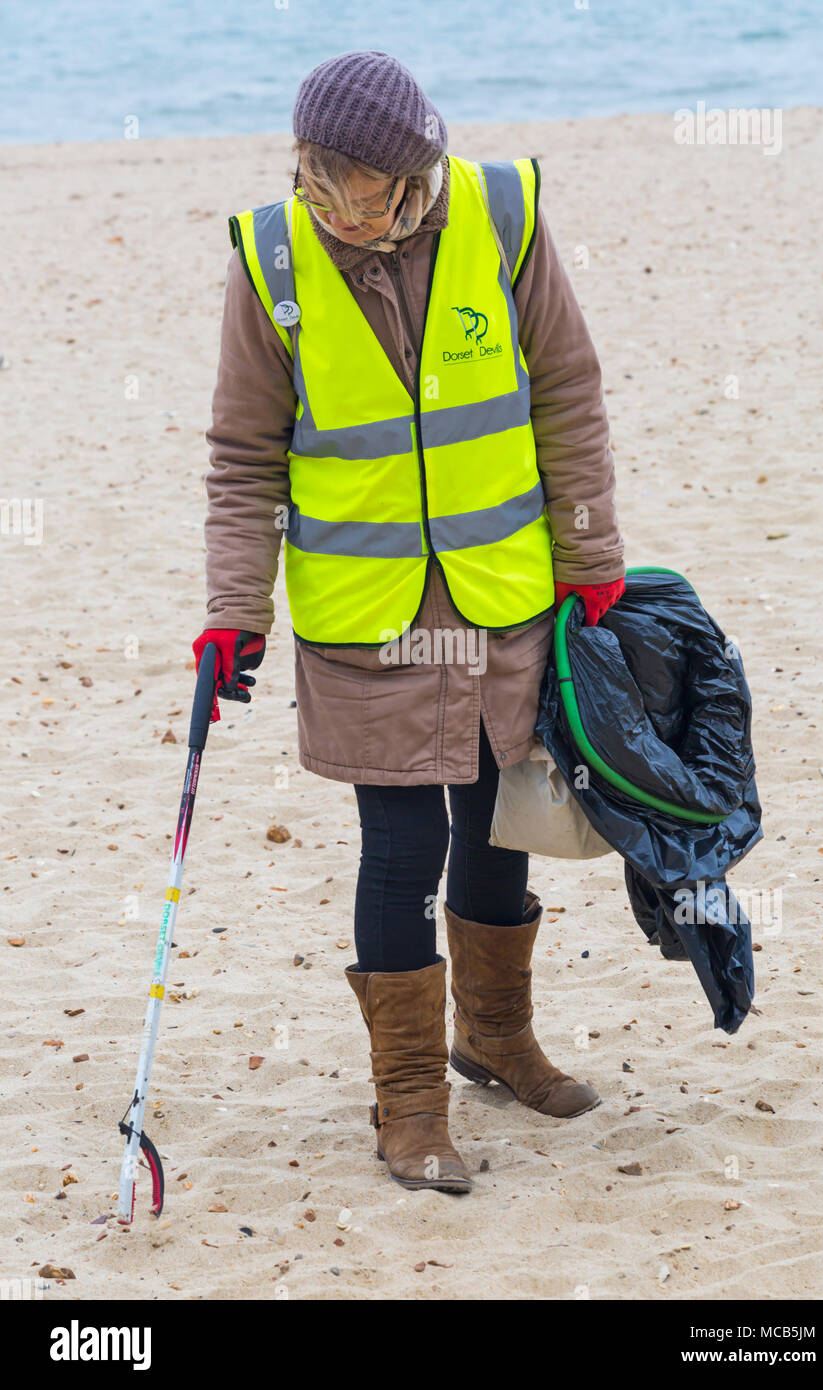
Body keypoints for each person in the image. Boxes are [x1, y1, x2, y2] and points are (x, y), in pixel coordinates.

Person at [194, 49, 625, 1195]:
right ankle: (410, 1103)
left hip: (496, 593)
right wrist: (232, 613)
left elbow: (566, 393)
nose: (334, 208)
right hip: (364, 612)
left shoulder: (504, 216)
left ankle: (495, 1037)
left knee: (495, 818)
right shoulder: (274, 258)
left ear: (412, 167)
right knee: (401, 848)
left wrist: (591, 559)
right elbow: (243, 461)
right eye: (314, 181)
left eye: (359, 188)